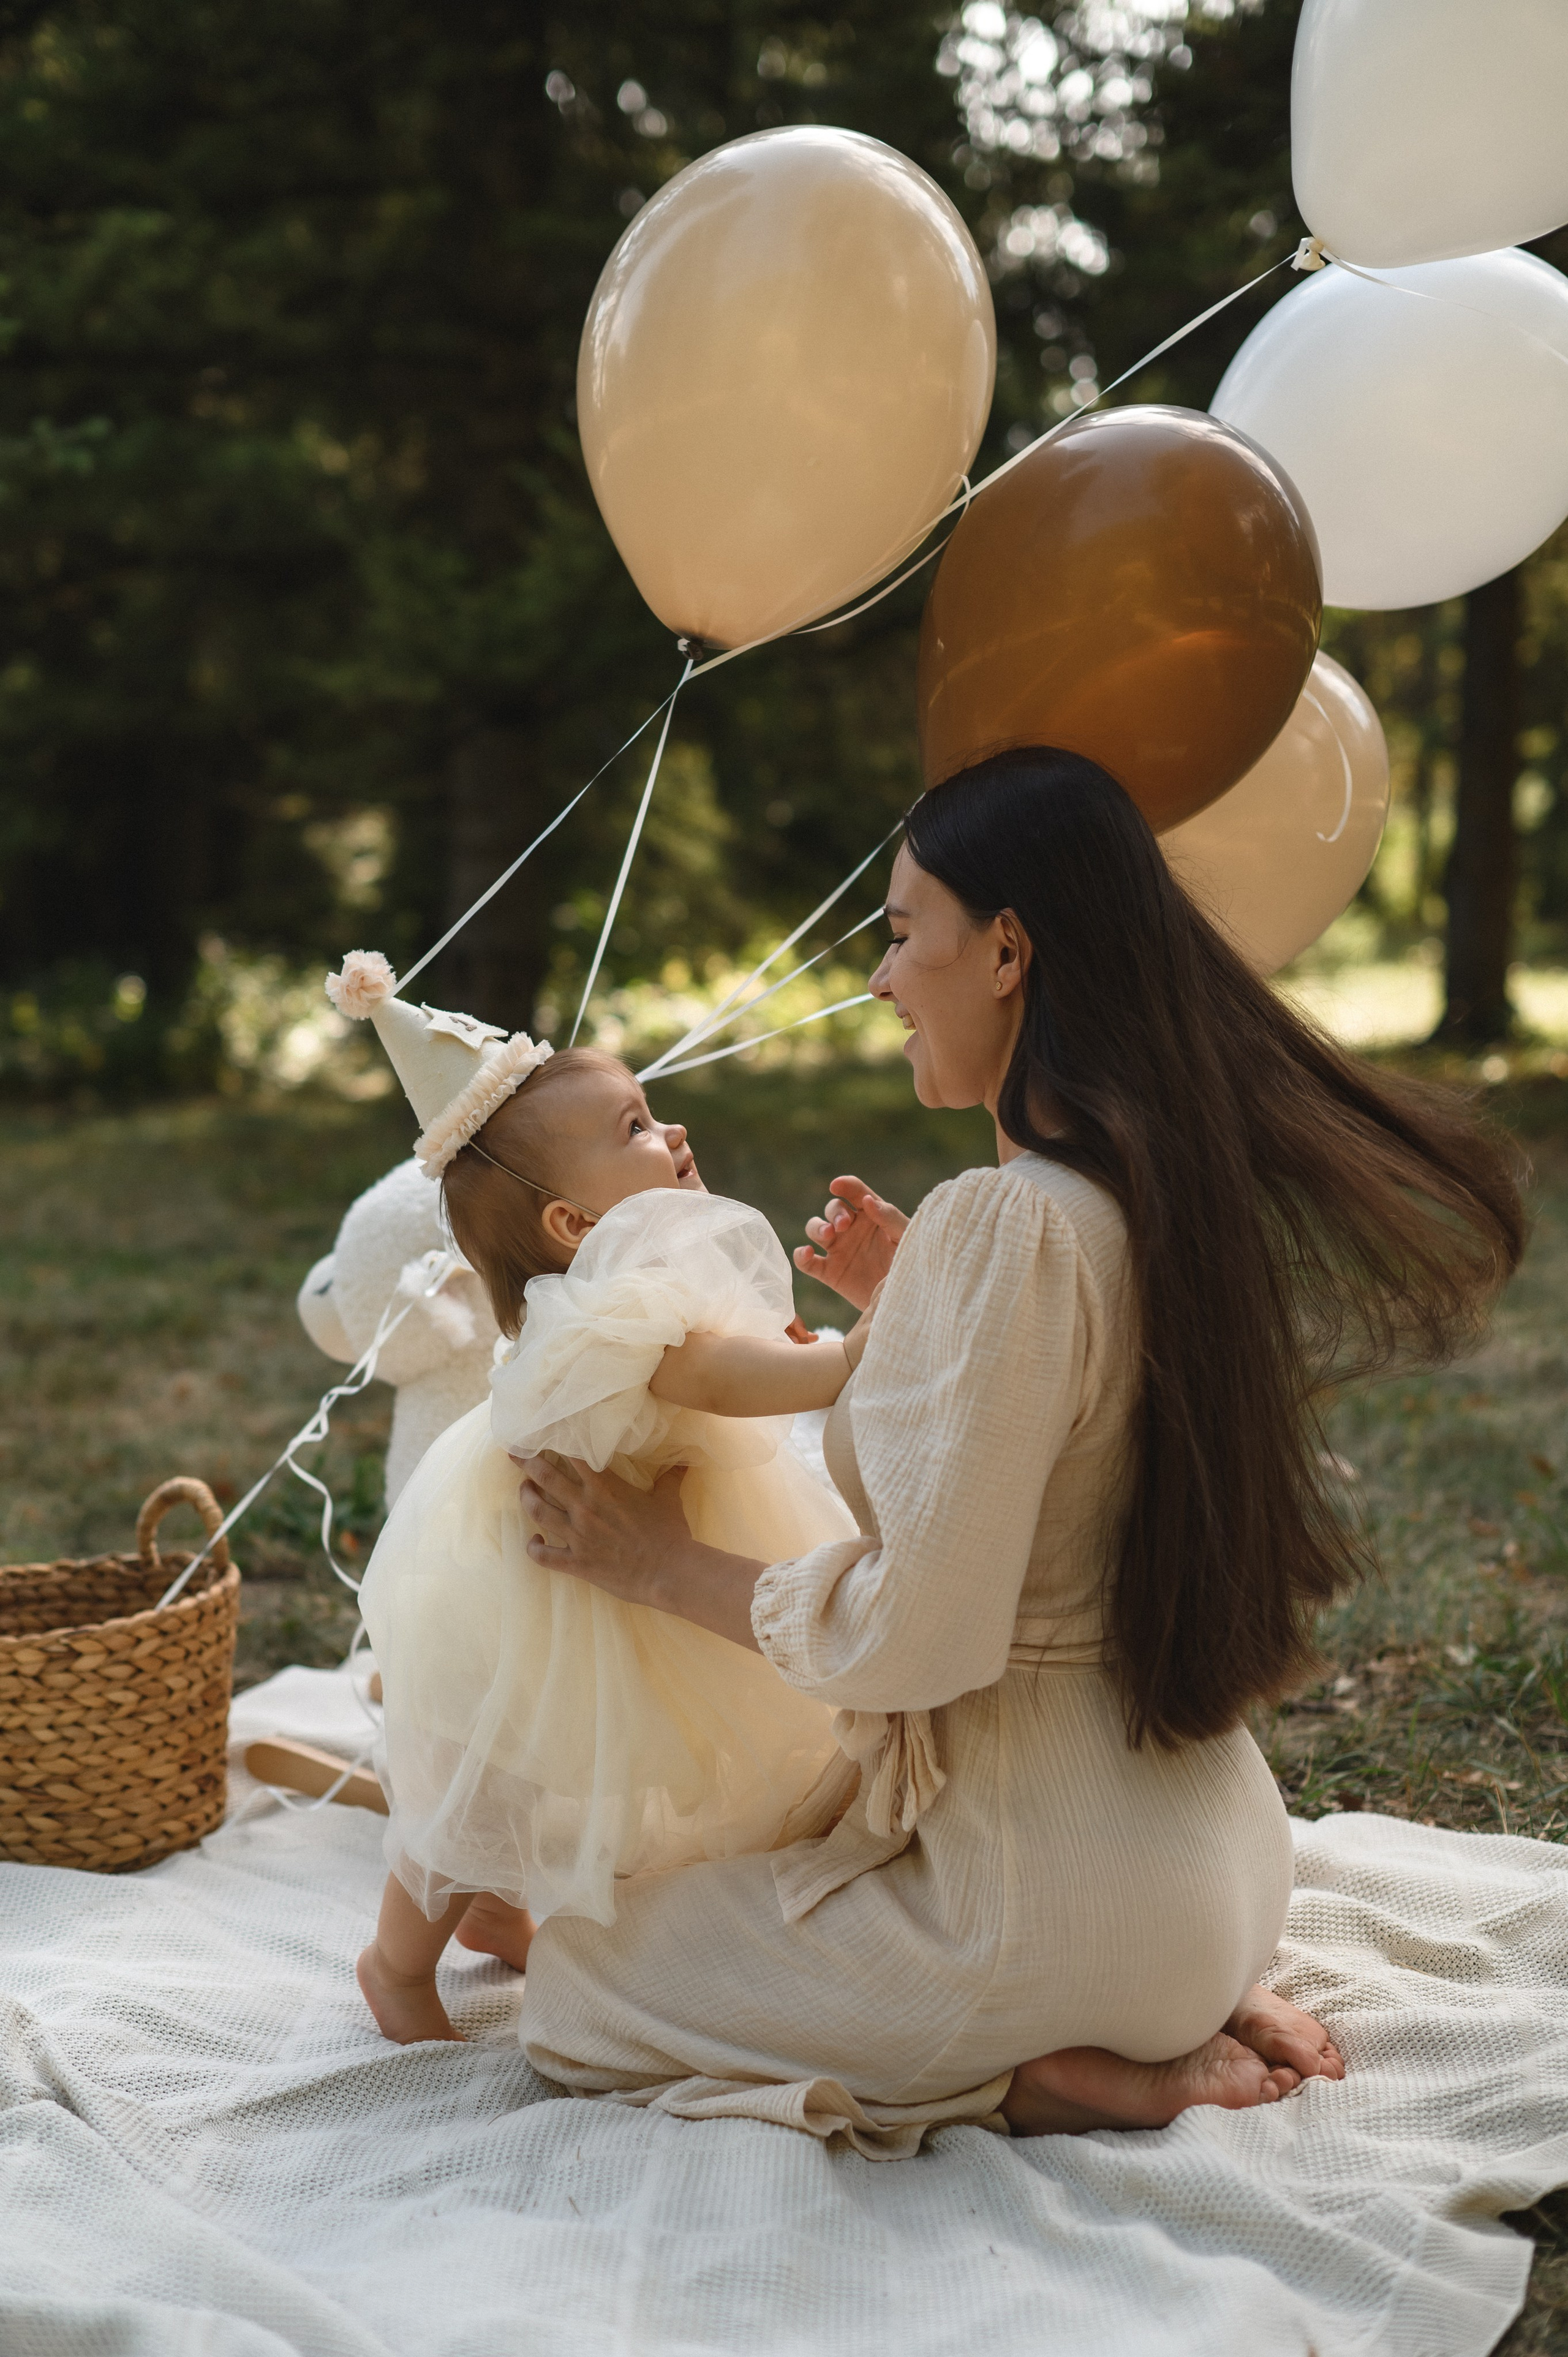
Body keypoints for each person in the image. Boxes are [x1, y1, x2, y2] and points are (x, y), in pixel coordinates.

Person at [510, 747, 1525, 2156]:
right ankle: (1153, 2006)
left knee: (572, 1985)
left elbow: (919, 1638)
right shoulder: (1153, 1187)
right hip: (1219, 1872)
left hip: (1042, 1913)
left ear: (1004, 948)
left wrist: (657, 1562)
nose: (879, 978)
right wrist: (906, 1312)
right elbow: (1058, 1451)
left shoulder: (1012, 1226)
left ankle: (1041, 2076)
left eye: (898, 931)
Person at [322, 953, 873, 2046]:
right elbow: (719, 1377)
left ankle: (498, 1909)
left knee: (564, 1757)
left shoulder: (621, 1287)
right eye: (635, 1128)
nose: (671, 1133)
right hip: (544, 1572)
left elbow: (727, 1362)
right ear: (574, 1225)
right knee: (491, 1770)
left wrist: (789, 1347)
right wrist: (850, 1357)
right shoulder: (618, 1311)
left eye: (651, 1113)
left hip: (626, 1550)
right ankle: (395, 1967)